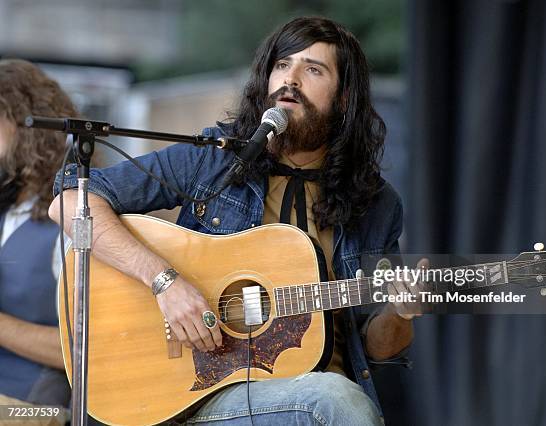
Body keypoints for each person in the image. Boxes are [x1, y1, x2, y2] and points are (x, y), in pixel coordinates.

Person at [50, 17, 419, 425]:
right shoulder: (216, 159)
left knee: (335, 396)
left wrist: (401, 312)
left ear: (345, 98)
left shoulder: (376, 204)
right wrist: (164, 282)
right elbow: (69, 202)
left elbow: (378, 347)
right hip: (204, 392)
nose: (290, 79)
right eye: (282, 65)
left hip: (318, 394)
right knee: (336, 400)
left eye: (313, 70)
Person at [0, 59, 76, 424]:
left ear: (29, 126)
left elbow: (85, 349)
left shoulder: (72, 218)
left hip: (35, 408)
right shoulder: (8, 206)